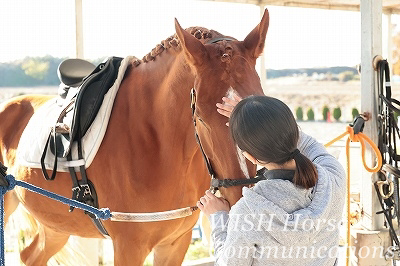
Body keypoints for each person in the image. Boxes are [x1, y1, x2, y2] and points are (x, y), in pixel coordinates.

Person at [197, 95, 345, 265]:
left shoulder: (247, 213)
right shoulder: (334, 175)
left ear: (250, 157)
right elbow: (310, 145)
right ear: (294, 132)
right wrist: (264, 121)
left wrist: (219, 217)